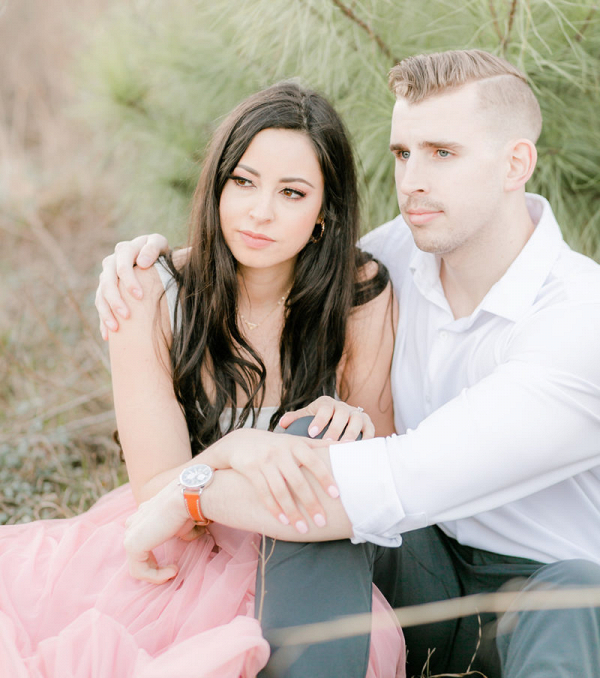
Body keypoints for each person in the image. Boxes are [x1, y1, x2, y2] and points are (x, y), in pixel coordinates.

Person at [99, 49, 600, 678]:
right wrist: (144, 266)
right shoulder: (390, 260)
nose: (413, 178)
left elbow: (395, 479)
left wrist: (190, 495)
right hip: (423, 570)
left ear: (515, 163)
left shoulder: (582, 318)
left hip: (542, 585)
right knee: (315, 445)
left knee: (581, 592)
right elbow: (274, 250)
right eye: (402, 153)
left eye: (442, 153)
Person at [0, 82, 406, 678]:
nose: (259, 211)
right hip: (181, 546)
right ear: (216, 183)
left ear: (324, 214)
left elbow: (382, 472)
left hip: (307, 554)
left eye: (292, 193)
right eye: (242, 181)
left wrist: (355, 428)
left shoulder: (360, 293)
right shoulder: (149, 294)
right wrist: (244, 446)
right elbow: (157, 491)